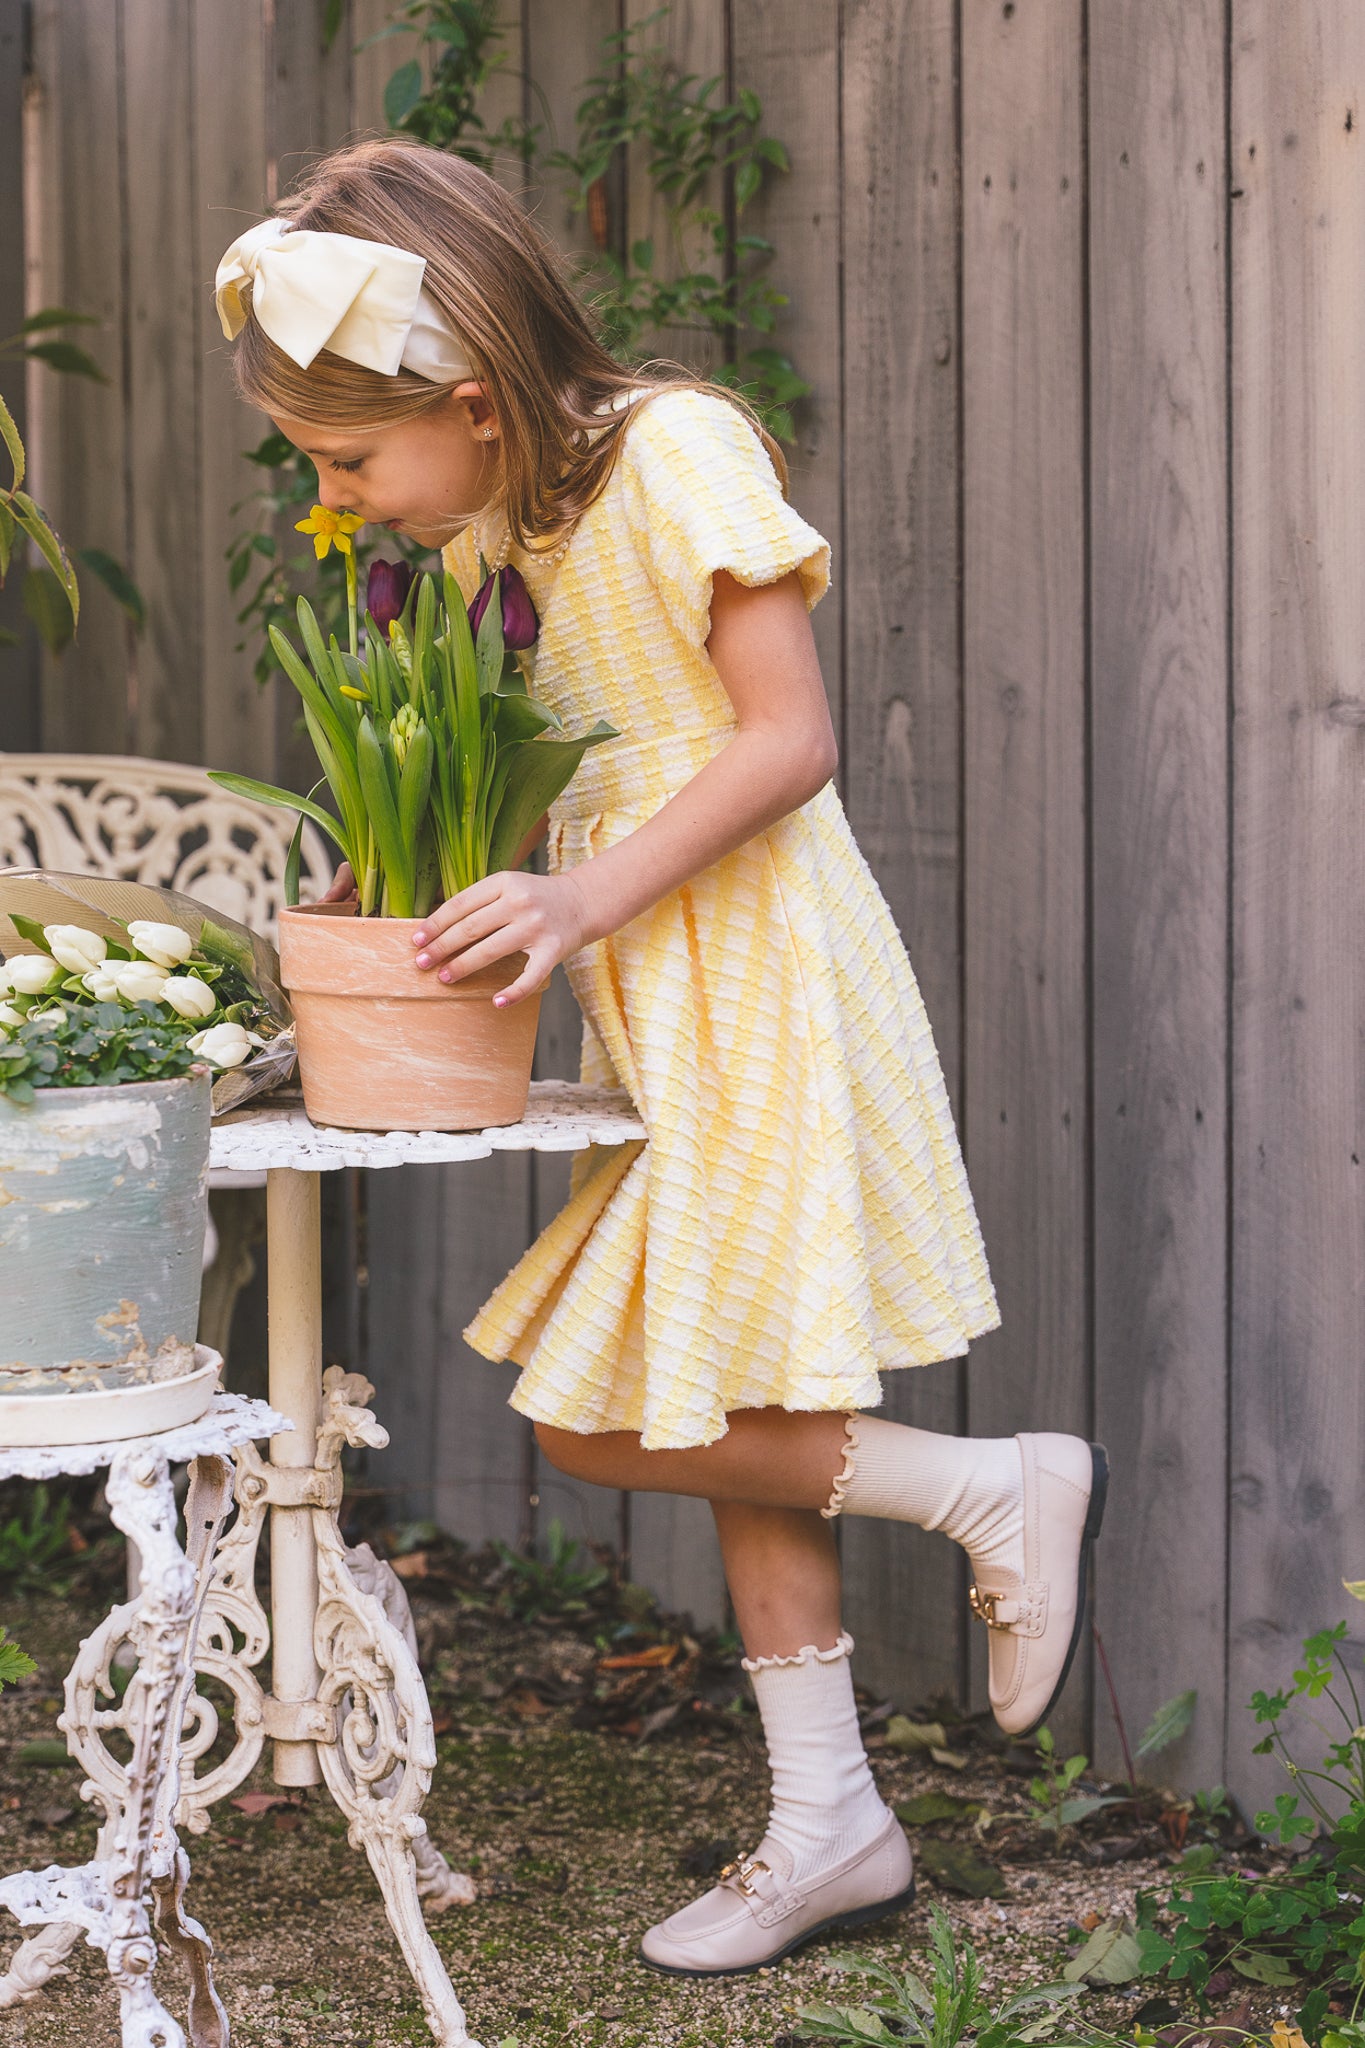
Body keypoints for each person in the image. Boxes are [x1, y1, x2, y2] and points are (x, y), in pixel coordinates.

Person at [216, 137, 1108, 1979]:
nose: (345, 500)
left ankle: (988, 1491)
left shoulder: (672, 446)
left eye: (350, 461)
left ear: (469, 398)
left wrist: (574, 897)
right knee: (730, 1393)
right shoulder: (496, 526)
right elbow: (492, 754)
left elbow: (787, 739)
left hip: (758, 968)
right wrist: (379, 863)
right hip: (654, 981)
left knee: (603, 1413)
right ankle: (829, 1822)